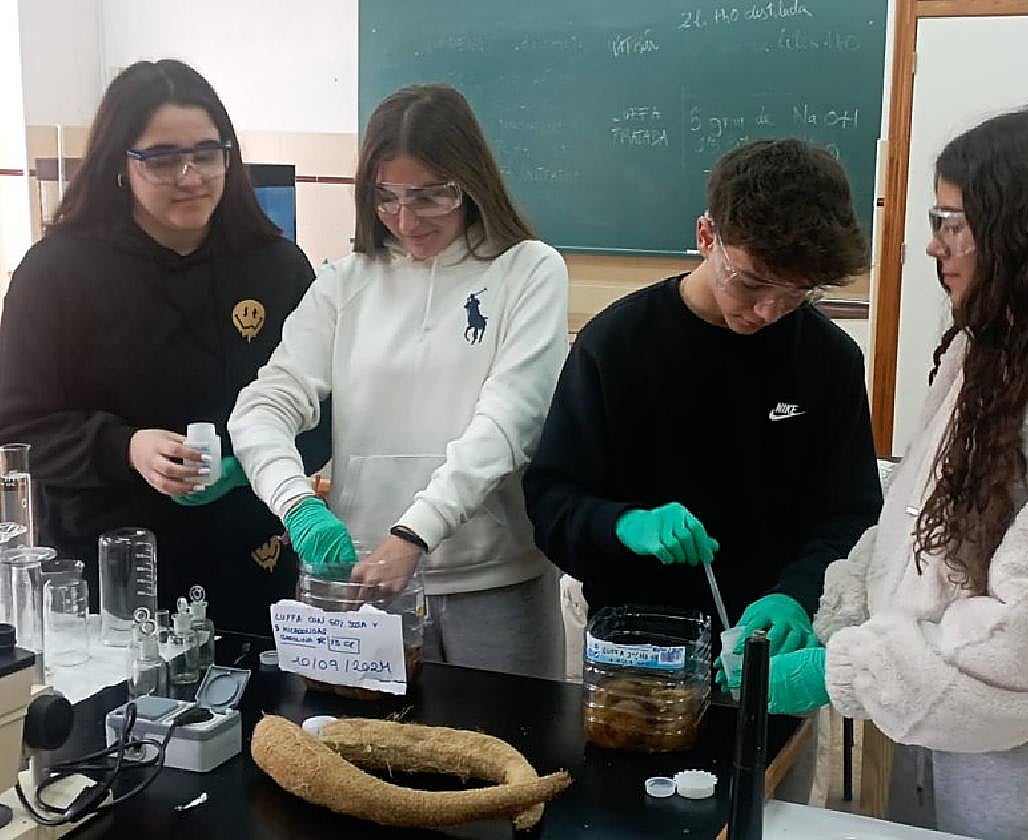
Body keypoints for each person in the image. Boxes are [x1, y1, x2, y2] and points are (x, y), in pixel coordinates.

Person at [770, 103, 1028, 840]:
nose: (934, 245)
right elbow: (918, 517)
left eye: (953, 222)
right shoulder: (997, 349)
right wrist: (837, 615)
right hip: (939, 711)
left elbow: (1024, 650)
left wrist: (842, 671)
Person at [228, 84, 569, 680]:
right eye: (387, 198)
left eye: (430, 197)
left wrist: (415, 533)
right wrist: (297, 504)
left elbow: (509, 422)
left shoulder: (528, 270)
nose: (407, 220)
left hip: (492, 583)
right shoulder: (344, 282)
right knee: (358, 761)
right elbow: (260, 409)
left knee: (515, 764)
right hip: (364, 586)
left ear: (470, 182)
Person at [0, 60, 330, 633]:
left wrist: (251, 462)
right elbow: (17, 427)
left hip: (252, 567)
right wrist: (124, 448)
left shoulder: (277, 267)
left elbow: (328, 414)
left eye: (207, 153)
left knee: (263, 719)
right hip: (109, 586)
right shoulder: (55, 272)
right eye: (162, 157)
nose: (190, 174)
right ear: (120, 165)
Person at [522, 139, 882, 661]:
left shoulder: (828, 360)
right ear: (707, 235)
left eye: (796, 292)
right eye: (752, 281)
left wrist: (797, 595)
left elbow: (850, 515)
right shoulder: (616, 345)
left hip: (771, 650)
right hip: (638, 653)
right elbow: (553, 503)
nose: (767, 310)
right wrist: (623, 524)